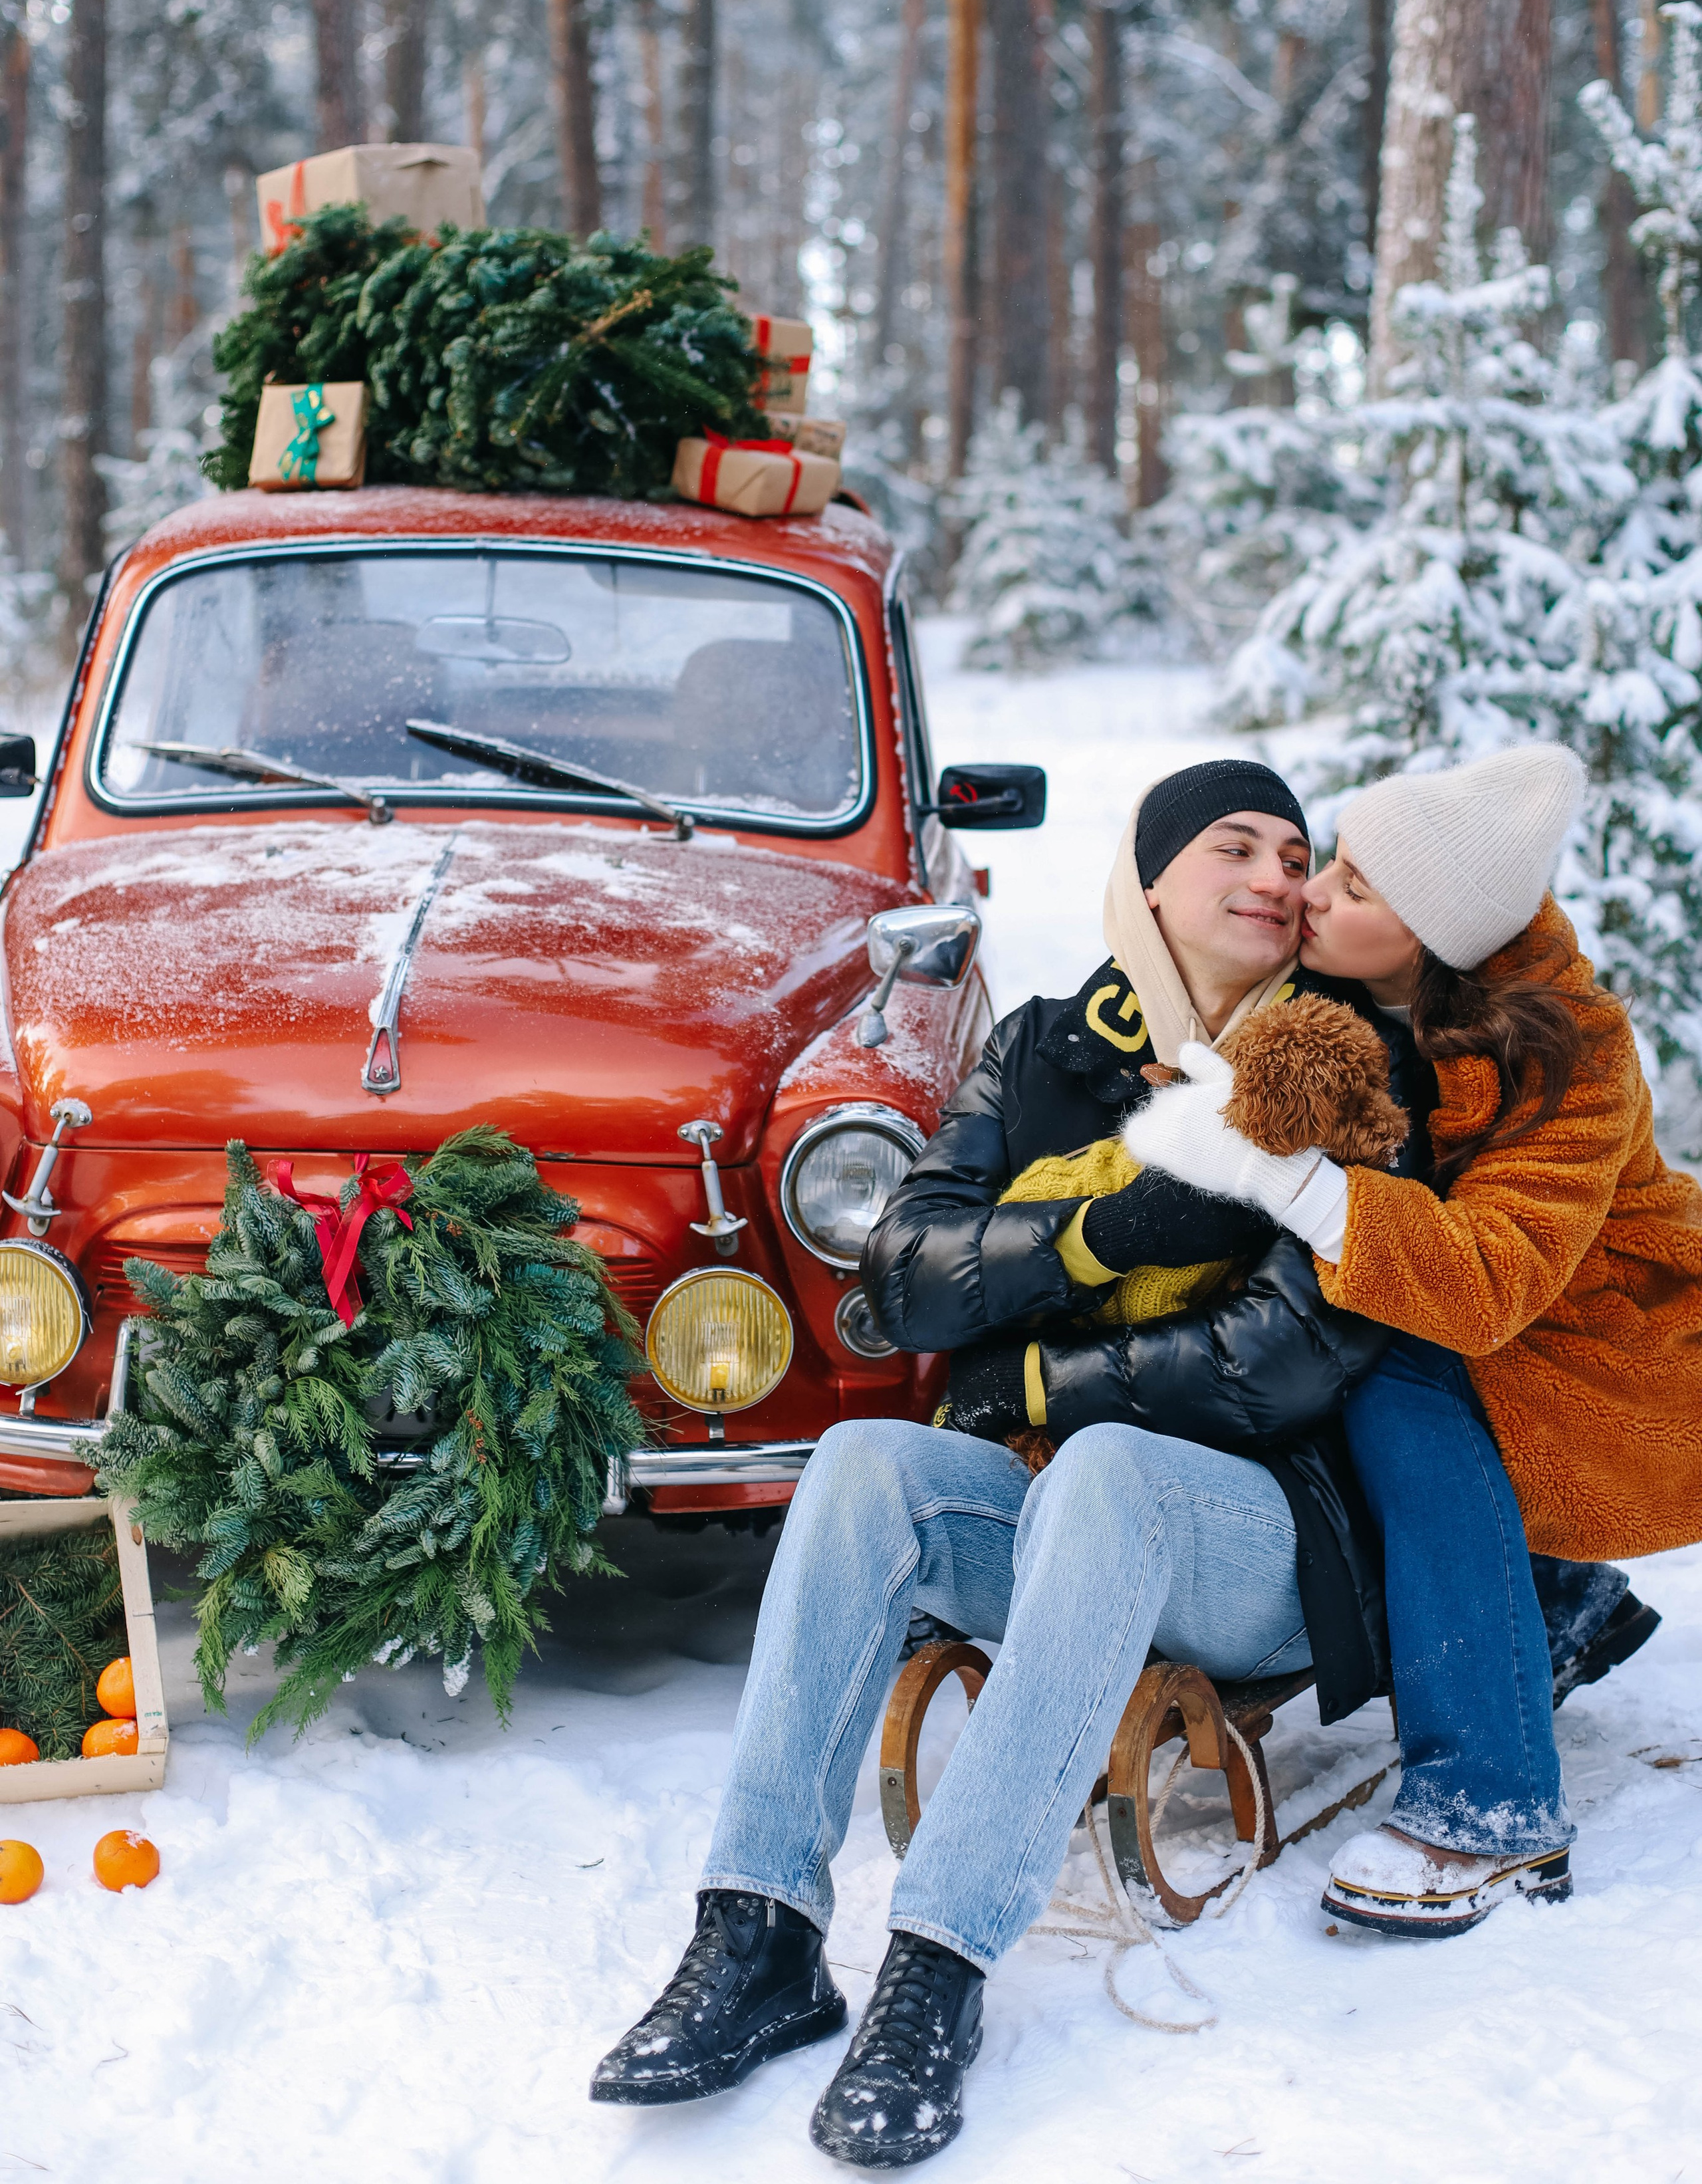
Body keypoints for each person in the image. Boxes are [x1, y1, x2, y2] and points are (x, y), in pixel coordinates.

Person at [586, 763, 1639, 2162]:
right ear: (1150, 880)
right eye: (1236, 845)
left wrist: (1028, 1370)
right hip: (1061, 1519)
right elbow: (897, 1280)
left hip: (1255, 1547)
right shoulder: (1040, 1051)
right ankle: (758, 1930)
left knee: (1108, 1470)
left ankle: (938, 1966)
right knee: (856, 1464)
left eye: (1295, 854)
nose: (1277, 876)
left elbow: (1281, 1360)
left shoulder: (1339, 1072)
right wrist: (1096, 1236)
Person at [1128, 744, 1700, 1935]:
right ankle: (1550, 1603)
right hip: (1464, 1306)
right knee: (1331, 1352)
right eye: (1329, 861)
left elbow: (1489, 1281)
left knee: (1397, 1380)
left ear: (1436, 939)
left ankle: (1492, 1808)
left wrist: (1282, 1181)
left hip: (1601, 1348)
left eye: (1355, 886)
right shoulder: (1339, 990)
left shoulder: (1576, 1049)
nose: (1315, 893)